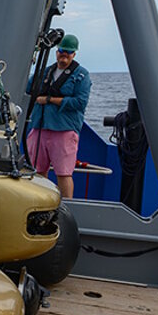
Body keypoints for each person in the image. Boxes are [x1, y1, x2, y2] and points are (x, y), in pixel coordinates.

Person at [26, 34, 92, 198]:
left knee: (63, 173)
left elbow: (80, 102)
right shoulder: (45, 72)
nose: (64, 55)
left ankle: (66, 209)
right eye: (62, 51)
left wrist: (50, 100)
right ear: (56, 51)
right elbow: (28, 88)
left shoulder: (82, 75)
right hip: (40, 126)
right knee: (38, 171)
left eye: (69, 52)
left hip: (64, 130)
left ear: (74, 54)